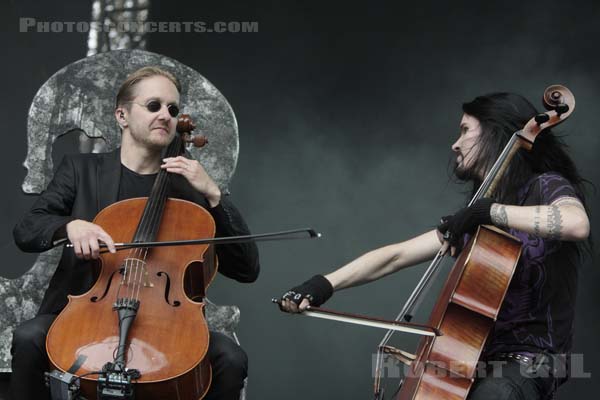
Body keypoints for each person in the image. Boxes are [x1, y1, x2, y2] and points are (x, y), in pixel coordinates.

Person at [279, 92, 591, 399]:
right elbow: (396, 256)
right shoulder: (472, 220)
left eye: (465, 130)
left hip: (532, 361)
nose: (455, 143)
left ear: (495, 134)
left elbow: (577, 224)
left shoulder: (543, 186)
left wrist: (489, 212)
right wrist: (323, 284)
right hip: (472, 363)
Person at [11, 66, 259, 400]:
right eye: (153, 105)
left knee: (230, 359)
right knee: (28, 337)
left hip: (166, 324)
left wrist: (214, 195)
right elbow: (27, 230)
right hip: (84, 316)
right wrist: (69, 225)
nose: (166, 116)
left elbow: (246, 268)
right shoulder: (81, 171)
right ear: (122, 116)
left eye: (173, 109)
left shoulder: (190, 191)